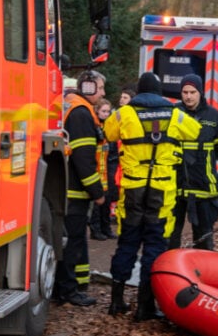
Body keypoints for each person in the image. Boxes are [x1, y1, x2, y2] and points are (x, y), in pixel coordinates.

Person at [104, 72, 200, 320]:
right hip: (161, 192)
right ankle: (145, 306)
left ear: (139, 91)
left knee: (127, 242)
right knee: (154, 247)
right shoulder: (175, 114)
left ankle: (116, 301)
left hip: (133, 190)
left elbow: (109, 133)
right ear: (158, 92)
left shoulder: (124, 112)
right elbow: (195, 131)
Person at [53, 70, 106, 306]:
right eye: (101, 88)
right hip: (74, 191)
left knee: (64, 240)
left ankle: (63, 287)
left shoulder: (70, 105)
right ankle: (68, 290)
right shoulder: (82, 114)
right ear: (89, 87)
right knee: (71, 241)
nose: (103, 93)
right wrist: (98, 192)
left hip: (62, 188)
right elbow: (84, 159)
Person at [168, 74, 218, 251]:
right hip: (175, 186)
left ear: (200, 92)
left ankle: (202, 274)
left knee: (204, 238)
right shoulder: (173, 113)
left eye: (192, 92)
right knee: (170, 236)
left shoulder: (214, 116)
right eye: (184, 92)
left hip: (203, 187)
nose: (188, 96)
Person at [89, 98, 117, 240]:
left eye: (108, 111)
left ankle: (106, 228)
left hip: (107, 168)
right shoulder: (94, 127)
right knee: (97, 203)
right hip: (97, 169)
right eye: (103, 111)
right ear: (97, 111)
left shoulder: (108, 128)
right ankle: (96, 230)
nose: (106, 114)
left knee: (107, 201)